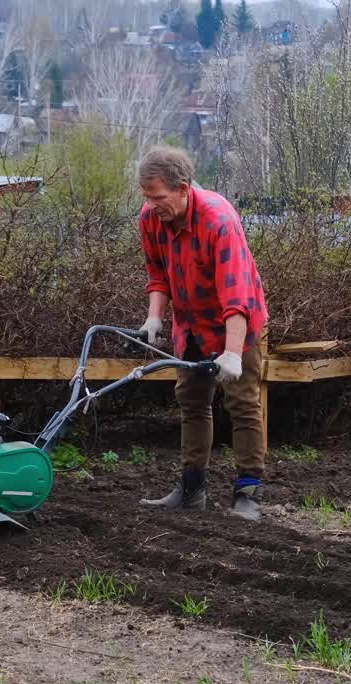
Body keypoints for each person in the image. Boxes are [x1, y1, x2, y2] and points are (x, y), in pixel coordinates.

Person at [134, 146, 268, 521]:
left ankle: (248, 495)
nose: (152, 205)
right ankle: (192, 490)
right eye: (147, 197)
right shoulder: (150, 218)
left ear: (184, 187)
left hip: (236, 324)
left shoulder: (218, 220)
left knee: (241, 403)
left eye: (159, 197)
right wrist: (155, 318)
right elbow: (157, 274)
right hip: (191, 324)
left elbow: (237, 298)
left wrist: (232, 352)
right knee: (191, 402)